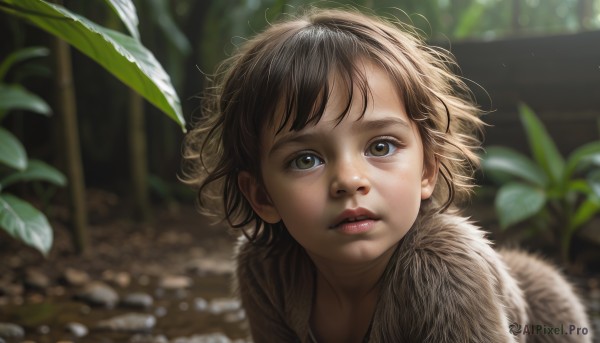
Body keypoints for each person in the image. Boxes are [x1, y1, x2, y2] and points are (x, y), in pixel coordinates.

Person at [183, 8, 591, 343]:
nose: (349, 180)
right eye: (305, 159)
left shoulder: (444, 272)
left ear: (427, 169)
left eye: (380, 147)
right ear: (262, 197)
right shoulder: (265, 265)